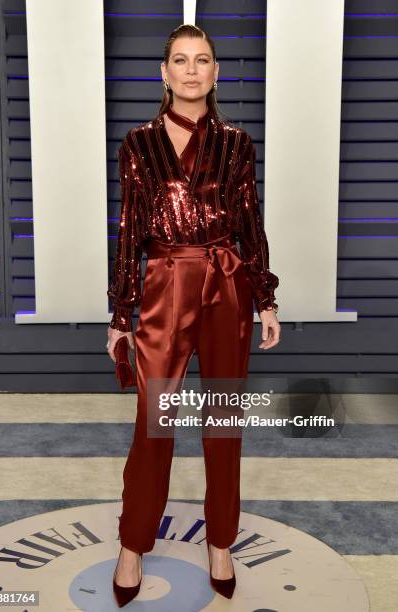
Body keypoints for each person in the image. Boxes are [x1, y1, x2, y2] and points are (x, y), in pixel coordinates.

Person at [106, 24, 281, 607]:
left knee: (223, 421)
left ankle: (221, 543)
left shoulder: (236, 143)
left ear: (213, 72)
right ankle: (134, 545)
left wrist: (265, 297)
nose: (190, 69)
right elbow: (130, 230)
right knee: (155, 421)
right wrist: (120, 311)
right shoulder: (137, 144)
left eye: (201, 59)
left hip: (226, 284)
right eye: (179, 60)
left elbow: (249, 224)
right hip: (164, 285)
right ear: (164, 72)